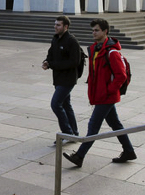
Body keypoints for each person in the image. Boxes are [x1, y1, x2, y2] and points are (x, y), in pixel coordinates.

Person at [63, 18, 136, 168]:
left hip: (106, 97)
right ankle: (129, 151)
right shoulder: (95, 50)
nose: (94, 33)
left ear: (105, 31)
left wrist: (108, 91)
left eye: (96, 30)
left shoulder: (112, 53)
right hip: (101, 95)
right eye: (93, 30)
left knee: (93, 126)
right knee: (115, 124)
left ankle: (79, 156)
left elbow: (121, 76)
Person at [42, 15, 80, 143]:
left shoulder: (71, 41)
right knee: (66, 105)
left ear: (66, 27)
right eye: (55, 24)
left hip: (68, 79)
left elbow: (74, 62)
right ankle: (74, 134)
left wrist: (53, 64)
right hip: (58, 78)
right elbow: (51, 54)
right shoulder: (55, 39)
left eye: (58, 25)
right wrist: (47, 62)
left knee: (55, 104)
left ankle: (67, 133)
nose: (55, 27)